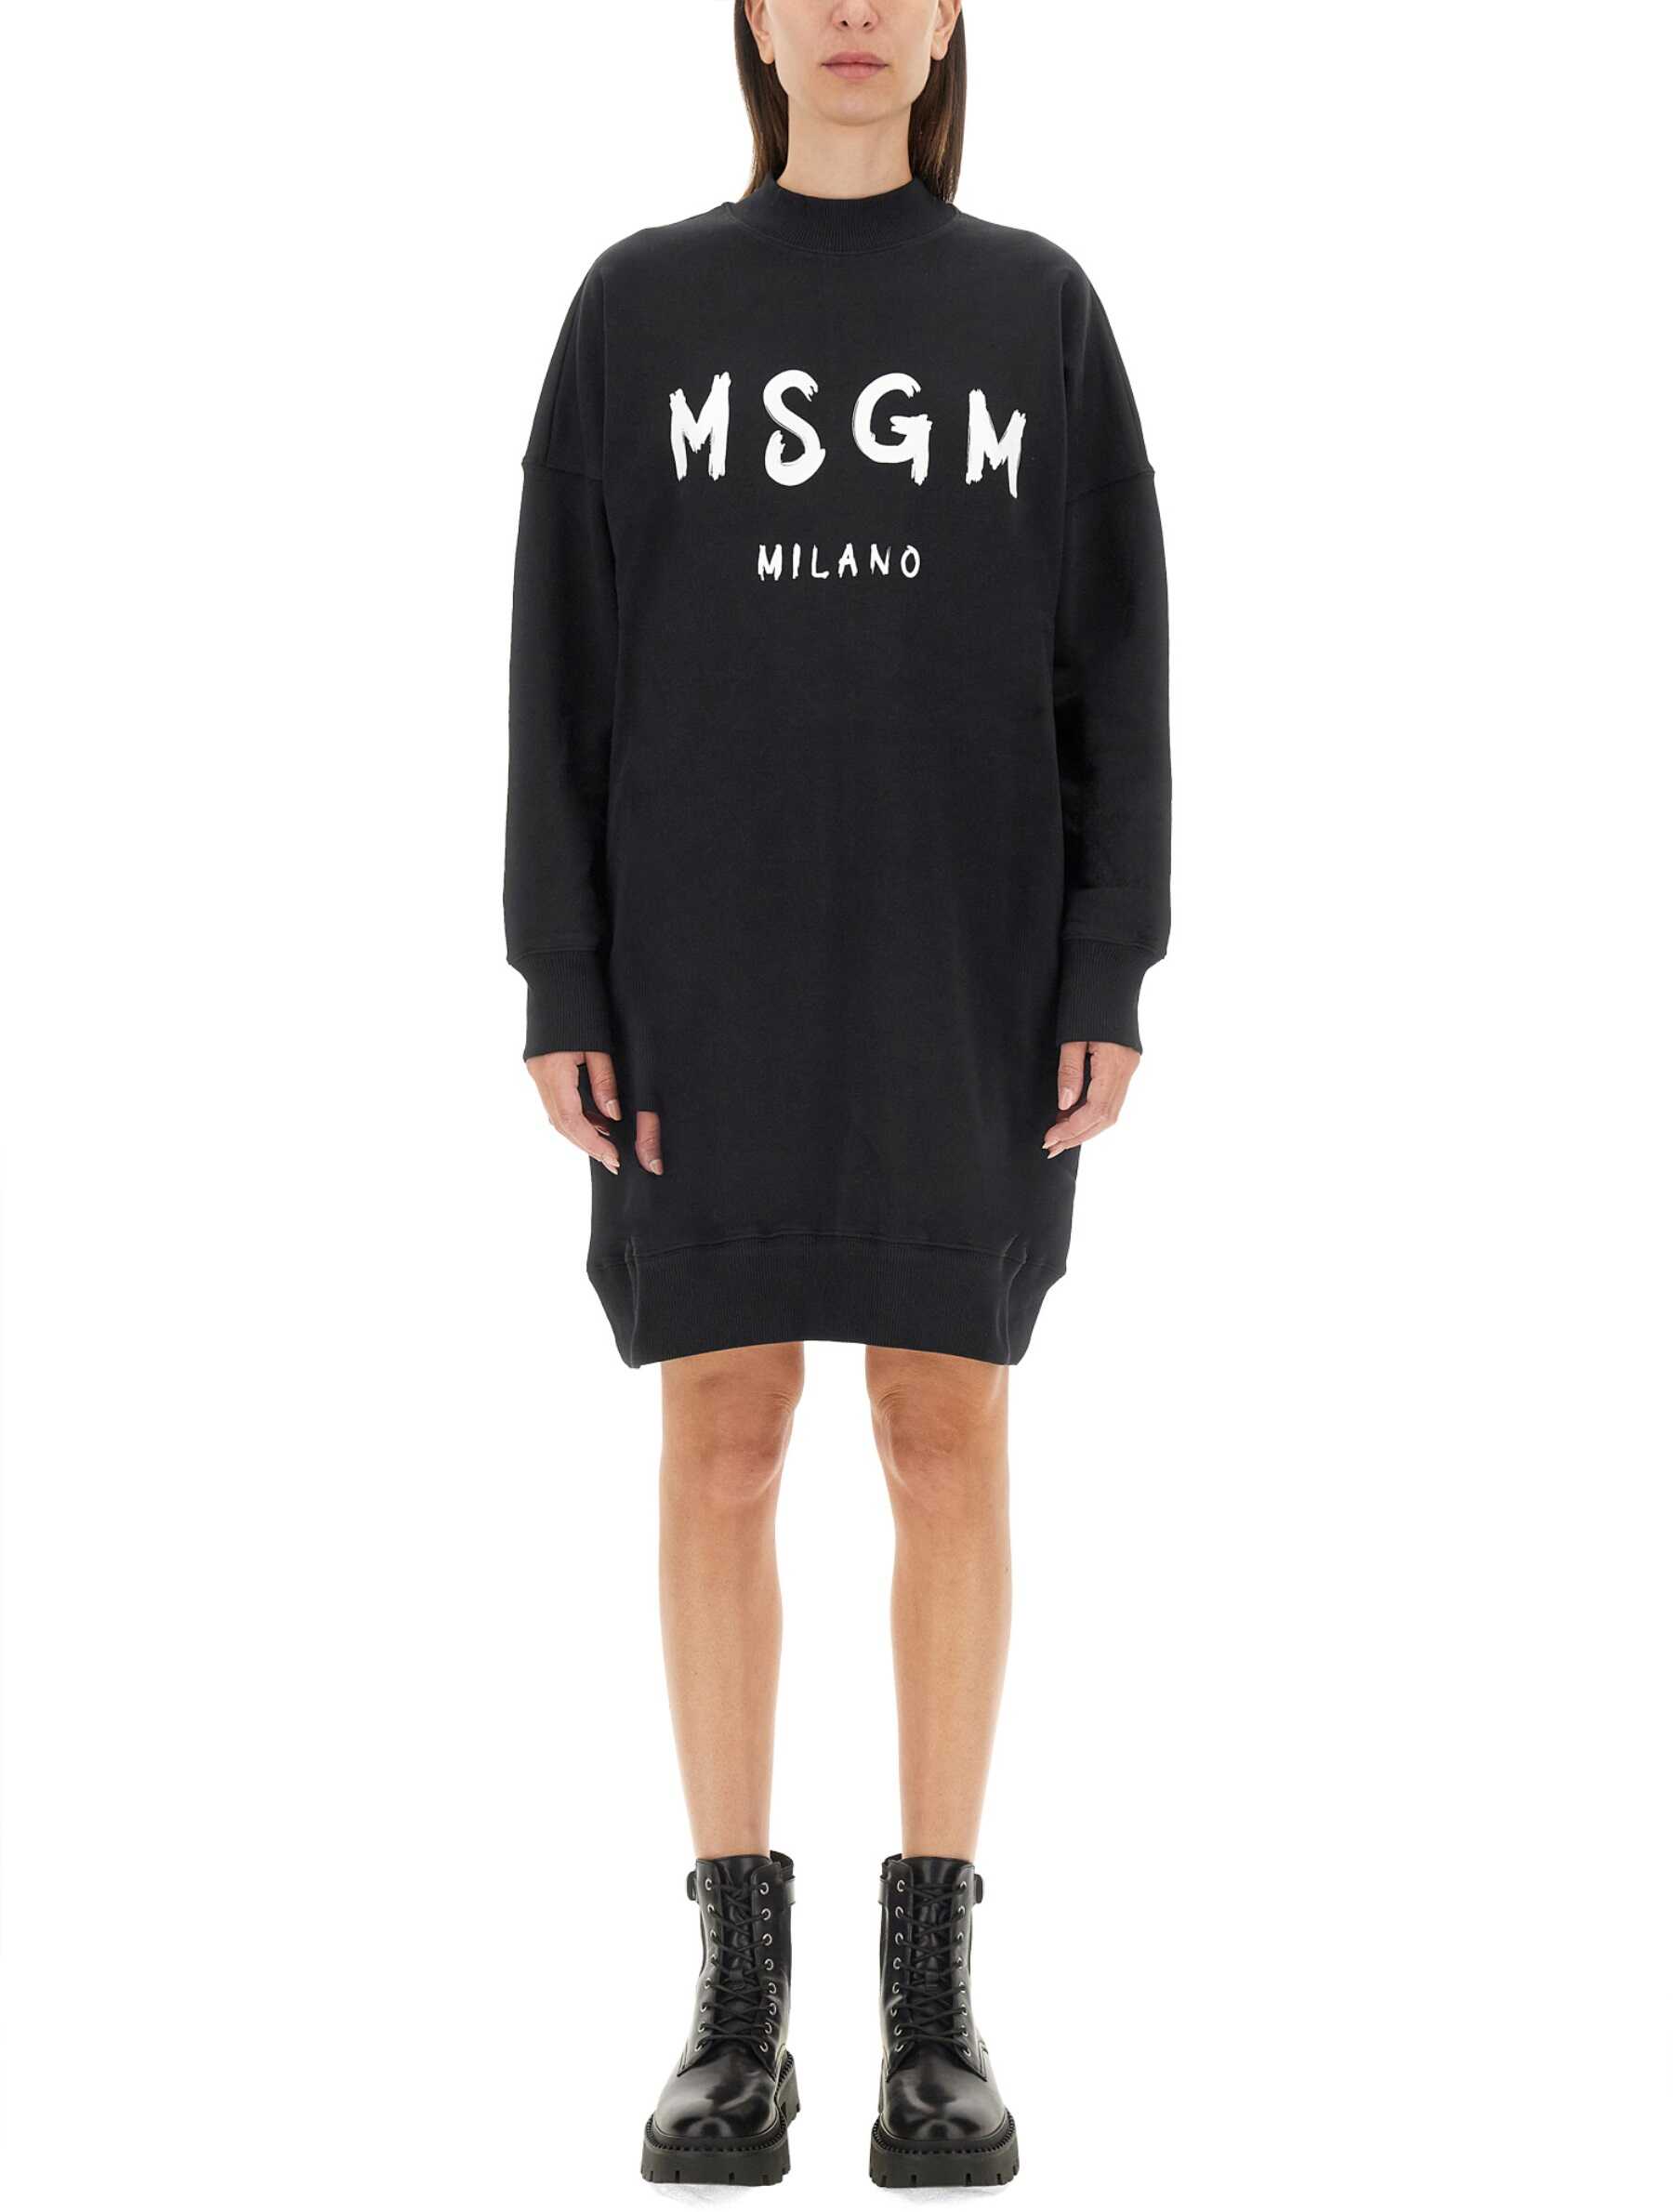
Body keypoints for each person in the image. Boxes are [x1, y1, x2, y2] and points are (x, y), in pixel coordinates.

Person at [505, 1, 1168, 2187]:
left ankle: (934, 2011)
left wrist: (1107, 956)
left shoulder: (1041, 316)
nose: (858, 8)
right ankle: (733, 2010)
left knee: (944, 1427)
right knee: (720, 1436)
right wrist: (562, 968)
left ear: (954, 17)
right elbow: (562, 662)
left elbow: (1114, 661)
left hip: (964, 955)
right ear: (755, 21)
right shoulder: (637, 311)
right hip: (699, 962)